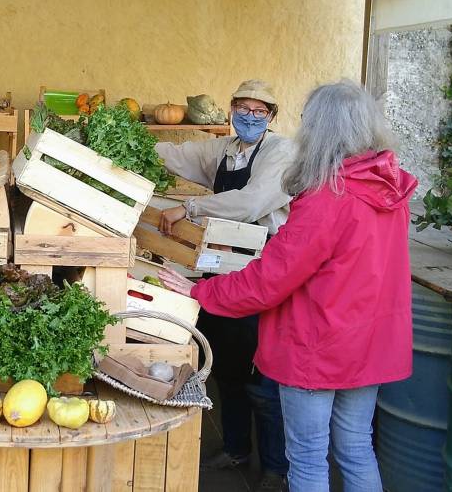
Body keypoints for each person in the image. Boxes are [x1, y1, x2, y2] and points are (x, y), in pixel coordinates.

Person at [158, 79, 417, 492]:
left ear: (320, 130)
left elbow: (269, 281)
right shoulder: (391, 190)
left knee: (308, 458)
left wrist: (198, 291)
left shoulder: (329, 196)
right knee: (356, 449)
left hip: (320, 345)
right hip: (369, 343)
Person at [155, 80, 295, 491]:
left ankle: (276, 468)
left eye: (260, 110)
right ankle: (236, 448)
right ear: (231, 109)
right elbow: (177, 154)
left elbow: (251, 203)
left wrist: (189, 207)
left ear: (271, 116)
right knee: (227, 366)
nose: (250, 116)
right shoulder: (226, 149)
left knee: (261, 377)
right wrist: (114, 144)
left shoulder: (281, 152)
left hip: (262, 270)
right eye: (243, 108)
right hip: (221, 262)